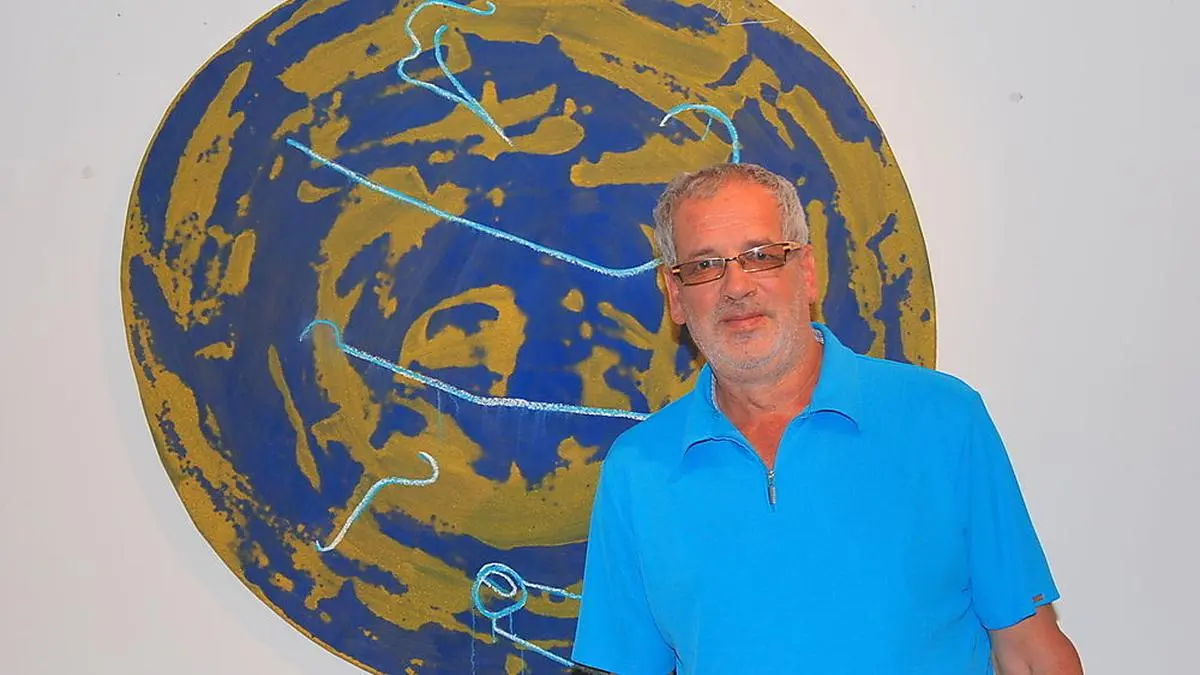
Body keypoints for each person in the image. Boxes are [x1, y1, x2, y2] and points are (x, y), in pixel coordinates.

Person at [570, 163, 1083, 674]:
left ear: (808, 271)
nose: (736, 286)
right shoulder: (638, 469)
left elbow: (1030, 652)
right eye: (705, 265)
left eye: (761, 255)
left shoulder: (944, 420)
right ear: (675, 295)